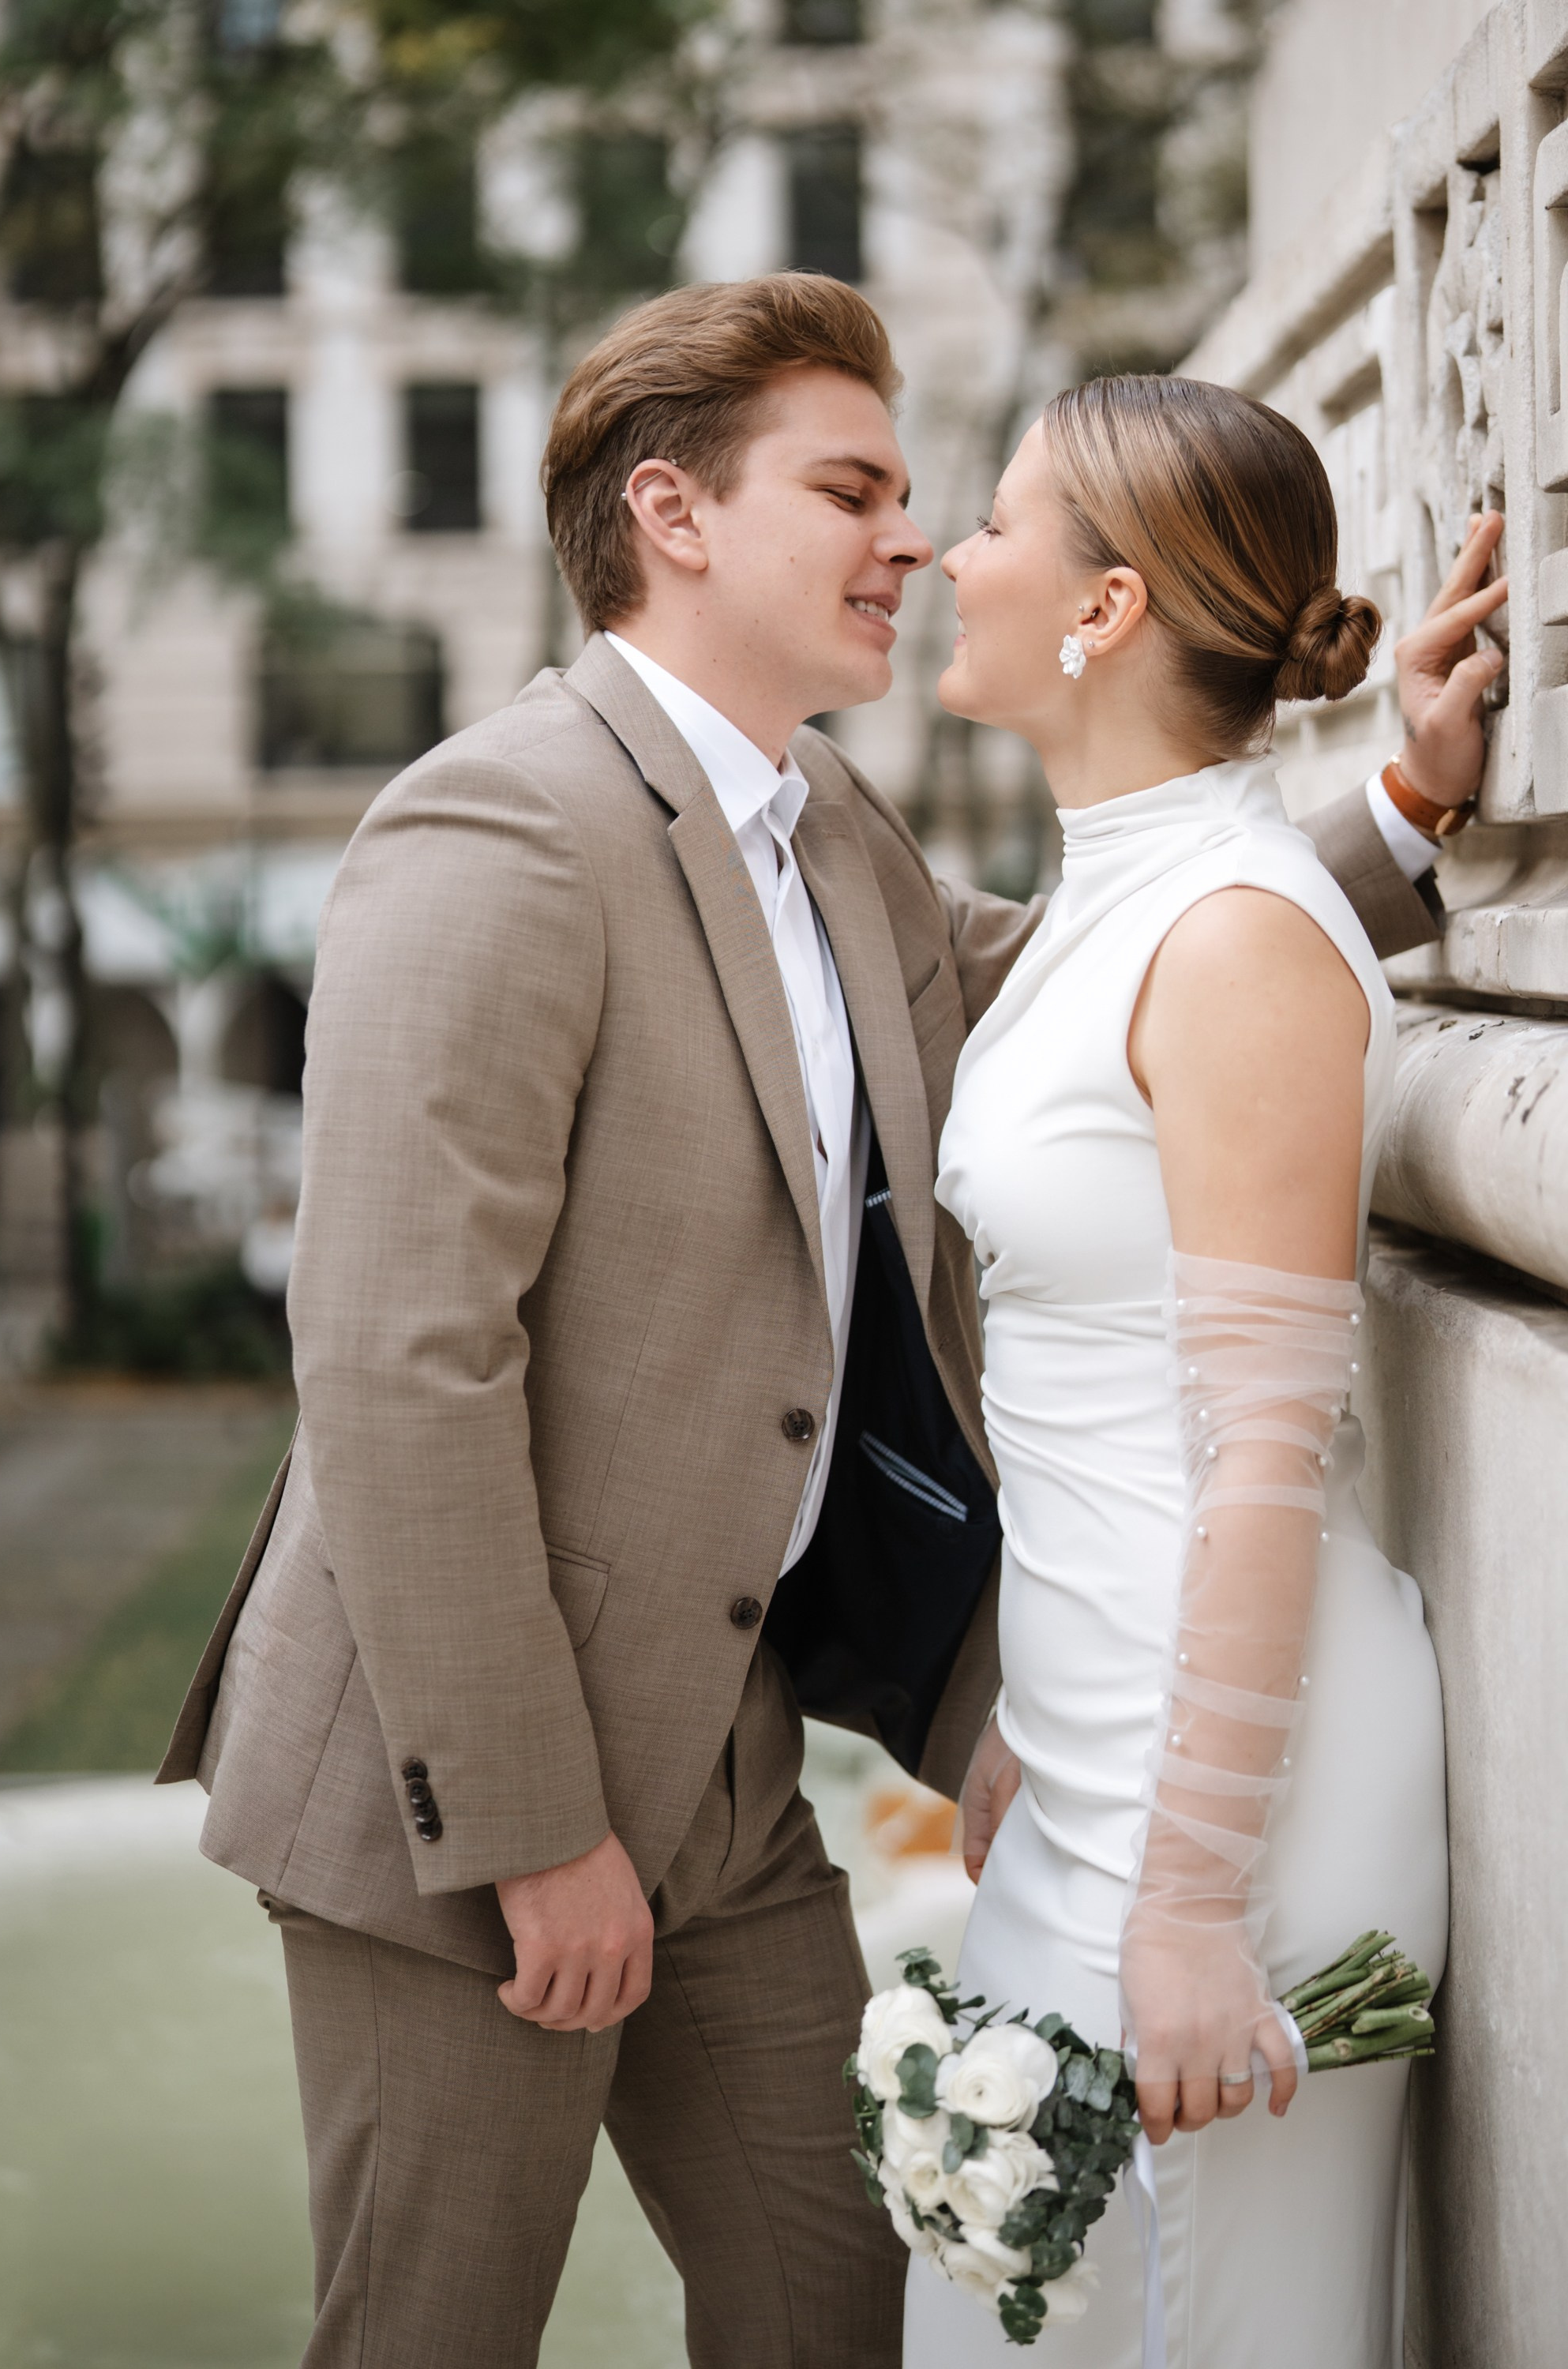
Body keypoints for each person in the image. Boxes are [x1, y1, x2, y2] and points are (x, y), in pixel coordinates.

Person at [156, 274, 1499, 2369]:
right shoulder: (498, 825)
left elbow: (1104, 984)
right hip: (463, 1808)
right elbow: (401, 1369)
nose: (915, 533)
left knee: (846, 2298)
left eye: (921, 495)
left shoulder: (823, 825)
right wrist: (531, 1842)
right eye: (855, 487)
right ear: (678, 516)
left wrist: (1396, 822)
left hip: (726, 1787)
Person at [904, 376, 1488, 2369]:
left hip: (1229, 1807)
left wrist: (1181, 1914)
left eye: (993, 525)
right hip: (1081, 1766)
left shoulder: (1231, 937)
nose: (947, 561)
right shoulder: (1124, 887)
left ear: (1105, 608)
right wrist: (1019, 1719)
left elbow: (1259, 1455)